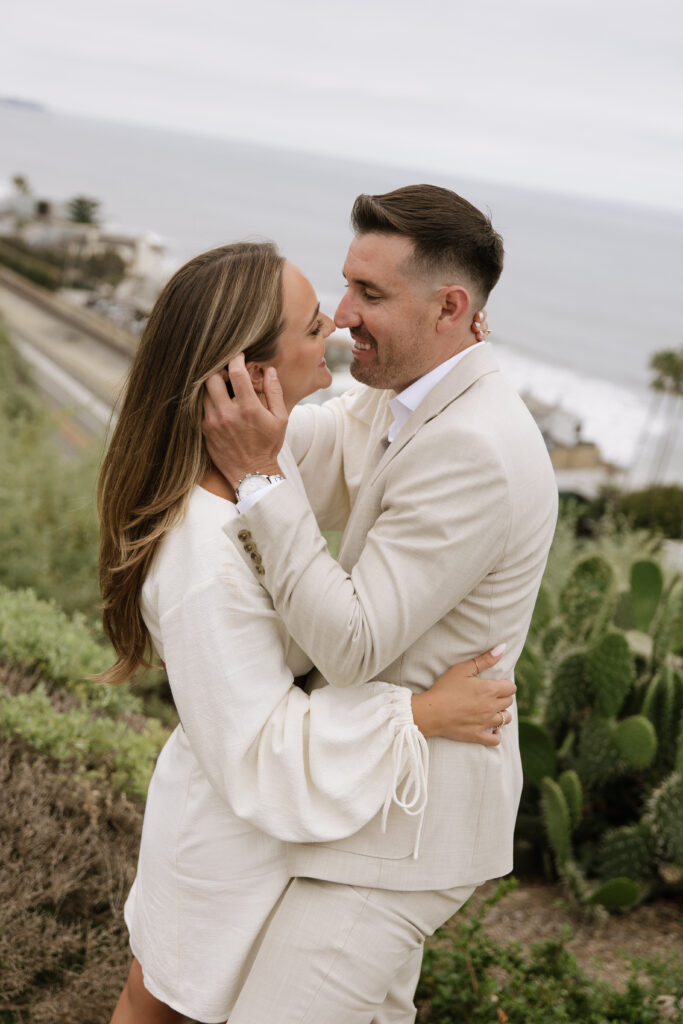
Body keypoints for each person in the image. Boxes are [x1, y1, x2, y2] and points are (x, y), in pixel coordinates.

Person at [98, 240, 517, 1024]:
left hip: (256, 833)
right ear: (240, 374)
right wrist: (418, 716)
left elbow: (363, 425)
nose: (332, 323)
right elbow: (262, 747)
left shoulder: (254, 473)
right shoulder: (202, 552)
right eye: (308, 322)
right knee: (161, 1006)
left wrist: (450, 347)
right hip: (226, 836)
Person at [201, 184, 559, 1023]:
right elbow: (304, 446)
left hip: (401, 832)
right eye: (343, 284)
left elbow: (353, 644)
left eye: (369, 294)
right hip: (355, 794)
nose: (340, 313)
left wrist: (256, 477)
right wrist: (222, 388)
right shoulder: (391, 397)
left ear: (449, 306)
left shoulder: (474, 446)